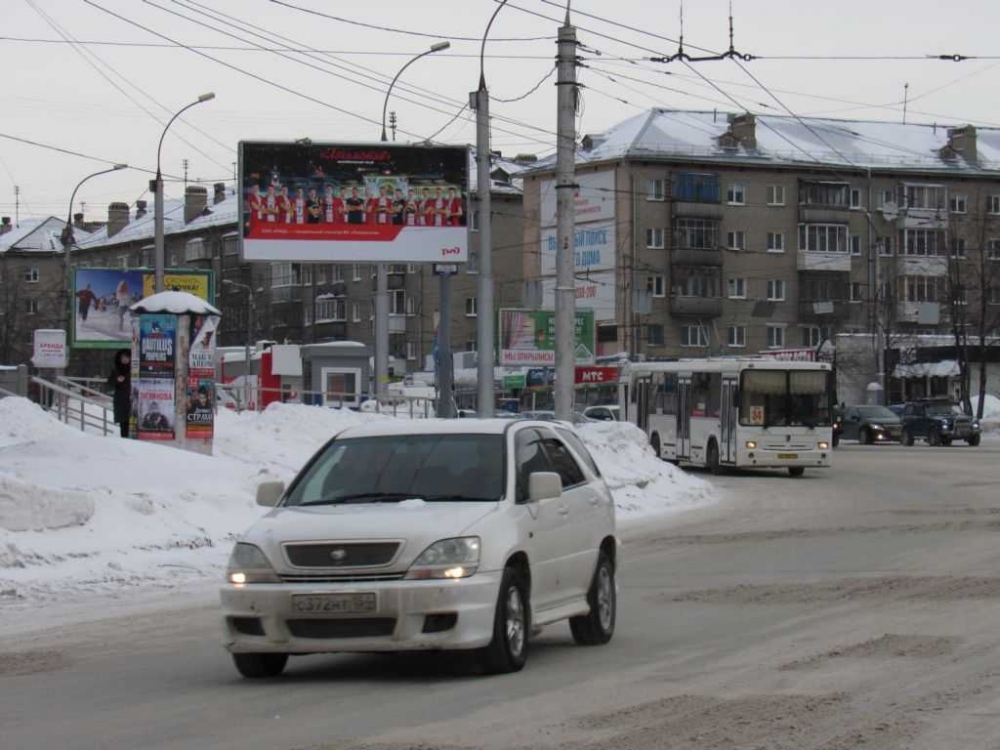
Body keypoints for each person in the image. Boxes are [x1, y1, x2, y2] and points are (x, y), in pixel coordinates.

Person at [107, 349, 132, 438]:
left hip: (132, 399)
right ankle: (124, 440)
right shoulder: (116, 369)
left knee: (132, 422)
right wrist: (117, 380)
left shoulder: (134, 369)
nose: (125, 359)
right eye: (123, 357)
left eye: (127, 357)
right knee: (123, 423)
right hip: (121, 400)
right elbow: (109, 383)